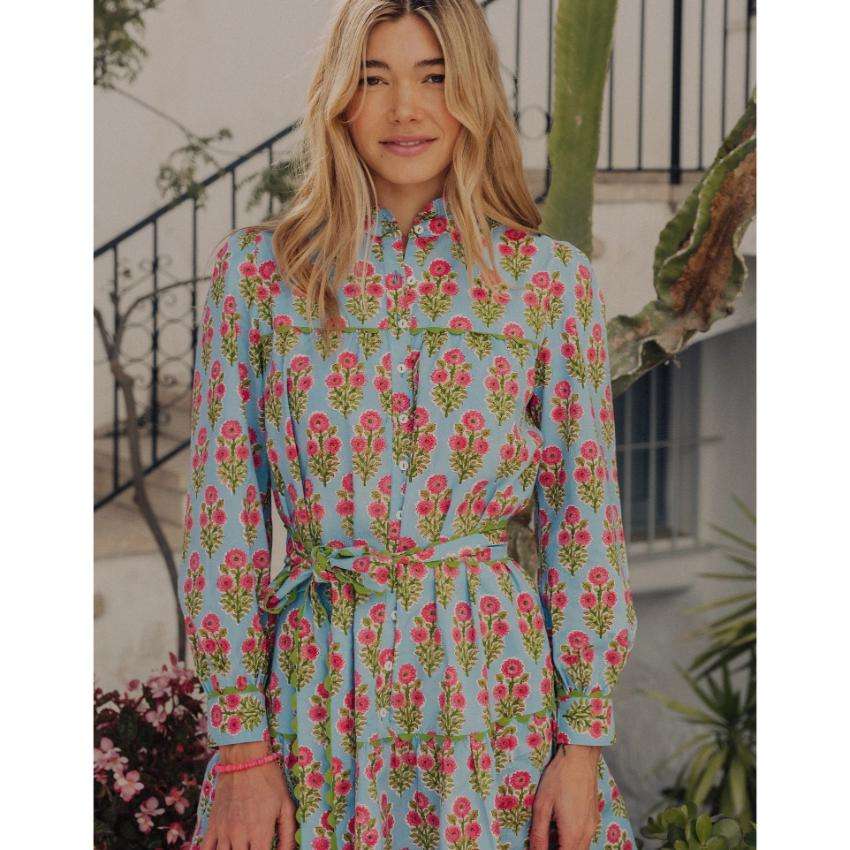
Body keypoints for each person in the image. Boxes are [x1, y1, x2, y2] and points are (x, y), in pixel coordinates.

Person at [178, 2, 638, 849]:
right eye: (373, 78)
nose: (405, 109)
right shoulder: (260, 278)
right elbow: (223, 515)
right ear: (339, 99)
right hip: (312, 695)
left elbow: (583, 522)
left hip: (490, 694)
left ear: (473, 94)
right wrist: (240, 742)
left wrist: (581, 744)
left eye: (434, 77)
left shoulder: (547, 283)